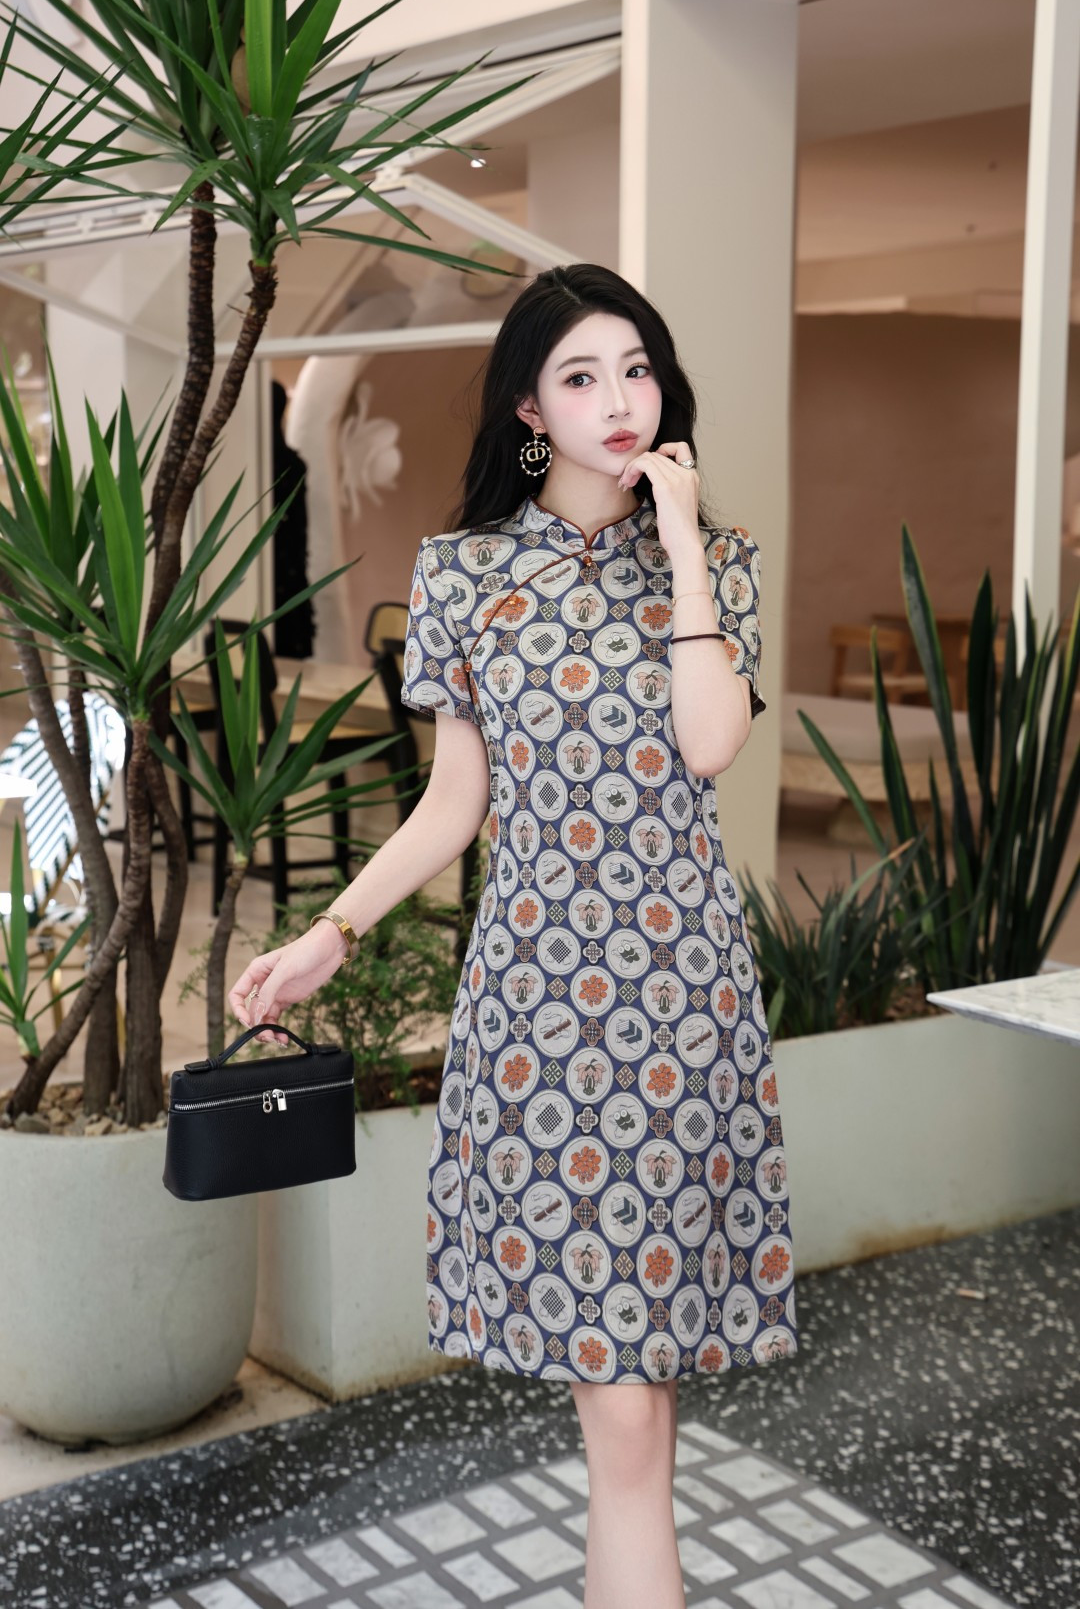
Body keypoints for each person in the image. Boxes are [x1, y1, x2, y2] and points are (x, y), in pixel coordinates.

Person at [229, 262, 798, 1609]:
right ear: (532, 411)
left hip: (685, 1006)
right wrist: (334, 933)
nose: (619, 398)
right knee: (624, 1408)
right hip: (538, 1007)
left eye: (636, 368)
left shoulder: (715, 565)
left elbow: (711, 744)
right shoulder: (465, 573)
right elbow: (454, 802)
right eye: (582, 376)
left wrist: (681, 547)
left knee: (638, 1401)